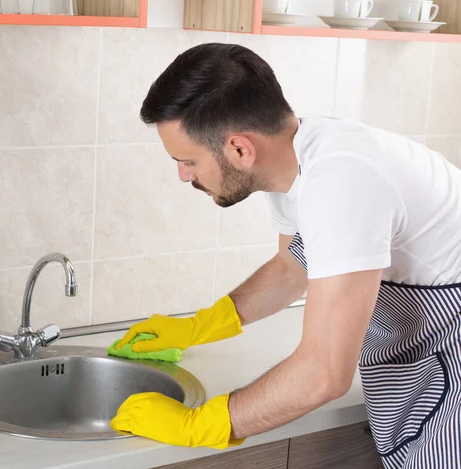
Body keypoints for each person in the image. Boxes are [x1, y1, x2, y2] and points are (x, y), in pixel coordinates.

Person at [108, 42, 461, 469]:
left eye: (187, 161)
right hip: (419, 361)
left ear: (240, 149)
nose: (183, 175)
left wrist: (202, 424)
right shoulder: (295, 161)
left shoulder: (342, 181)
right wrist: (202, 326)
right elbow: (295, 266)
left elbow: (325, 373)